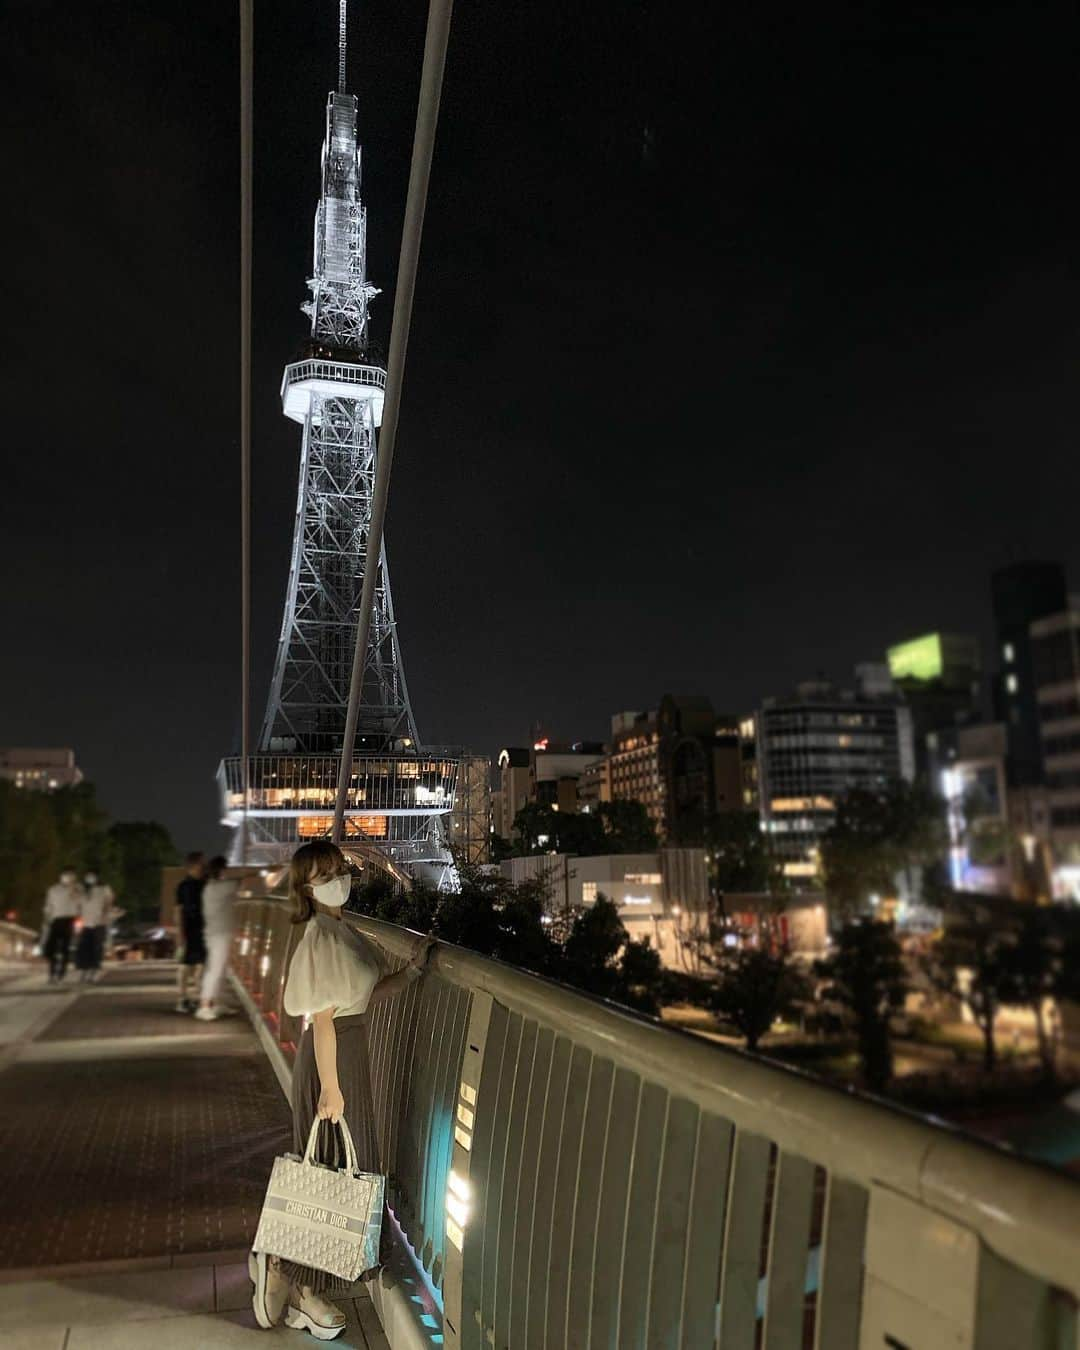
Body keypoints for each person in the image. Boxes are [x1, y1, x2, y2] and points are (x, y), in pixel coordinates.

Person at [248, 841, 433, 1339]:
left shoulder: (339, 930)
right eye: (326, 873)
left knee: (333, 1166)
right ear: (307, 887)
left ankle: (287, 1266)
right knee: (328, 1166)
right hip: (332, 1057)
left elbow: (364, 997)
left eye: (340, 868)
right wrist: (331, 1088)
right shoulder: (319, 936)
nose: (339, 877)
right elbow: (324, 1019)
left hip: (347, 1052)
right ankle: (304, 1291)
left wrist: (413, 970)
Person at [195, 856, 258, 1021]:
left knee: (218, 969)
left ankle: (215, 1003)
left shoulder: (212, 887)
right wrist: (263, 870)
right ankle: (204, 1006)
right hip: (219, 933)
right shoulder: (220, 887)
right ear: (221, 870)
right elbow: (243, 879)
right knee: (215, 970)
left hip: (216, 932)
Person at [175, 852, 207, 1013]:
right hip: (189, 930)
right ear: (192, 866)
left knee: (201, 966)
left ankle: (196, 998)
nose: (203, 867)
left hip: (203, 930)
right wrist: (180, 933)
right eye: (201, 864)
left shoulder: (205, 883)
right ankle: (182, 999)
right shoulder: (184, 886)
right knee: (185, 967)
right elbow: (179, 911)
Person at [42, 868, 83, 983]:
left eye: (71, 876)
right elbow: (48, 905)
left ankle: (60, 972)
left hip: (70, 919)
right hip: (56, 920)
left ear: (74, 877)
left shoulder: (78, 889)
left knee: (65, 947)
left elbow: (81, 902)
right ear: (61, 876)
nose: (68, 878)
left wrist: (73, 889)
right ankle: (53, 970)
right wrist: (47, 918)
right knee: (50, 948)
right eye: (66, 875)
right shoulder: (54, 889)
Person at [75, 871, 115, 981]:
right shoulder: (81, 890)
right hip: (84, 924)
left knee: (96, 948)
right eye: (88, 876)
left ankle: (93, 971)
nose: (90, 878)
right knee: (83, 949)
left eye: (92, 876)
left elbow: (109, 902)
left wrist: (105, 915)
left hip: (98, 923)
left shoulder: (104, 889)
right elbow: (77, 905)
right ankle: (83, 971)